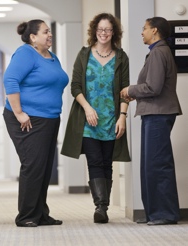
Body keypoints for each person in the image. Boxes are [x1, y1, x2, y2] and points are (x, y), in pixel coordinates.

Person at [61, 13, 131, 224]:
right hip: (88, 120)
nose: (103, 33)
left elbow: (125, 90)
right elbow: (75, 87)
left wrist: (122, 116)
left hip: (111, 119)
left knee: (107, 162)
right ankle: (100, 207)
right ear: (94, 31)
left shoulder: (121, 57)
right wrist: (88, 108)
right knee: (95, 160)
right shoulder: (84, 55)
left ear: (114, 33)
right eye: (100, 29)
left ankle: (104, 206)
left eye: (108, 30)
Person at [3, 19, 69, 227]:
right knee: (33, 166)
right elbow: (10, 80)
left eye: (50, 31)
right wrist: (19, 112)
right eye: (45, 32)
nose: (50, 35)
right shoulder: (26, 53)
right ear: (33, 37)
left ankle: (40, 213)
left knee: (44, 168)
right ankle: (26, 216)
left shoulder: (51, 56)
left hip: (49, 119)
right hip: (29, 120)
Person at [120, 17, 182, 226]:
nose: (142, 32)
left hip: (158, 113)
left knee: (157, 164)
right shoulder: (158, 52)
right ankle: (156, 213)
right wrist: (136, 93)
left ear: (154, 30)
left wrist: (131, 90)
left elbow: (153, 87)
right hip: (154, 113)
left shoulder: (158, 53)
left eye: (144, 28)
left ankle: (164, 214)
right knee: (151, 165)